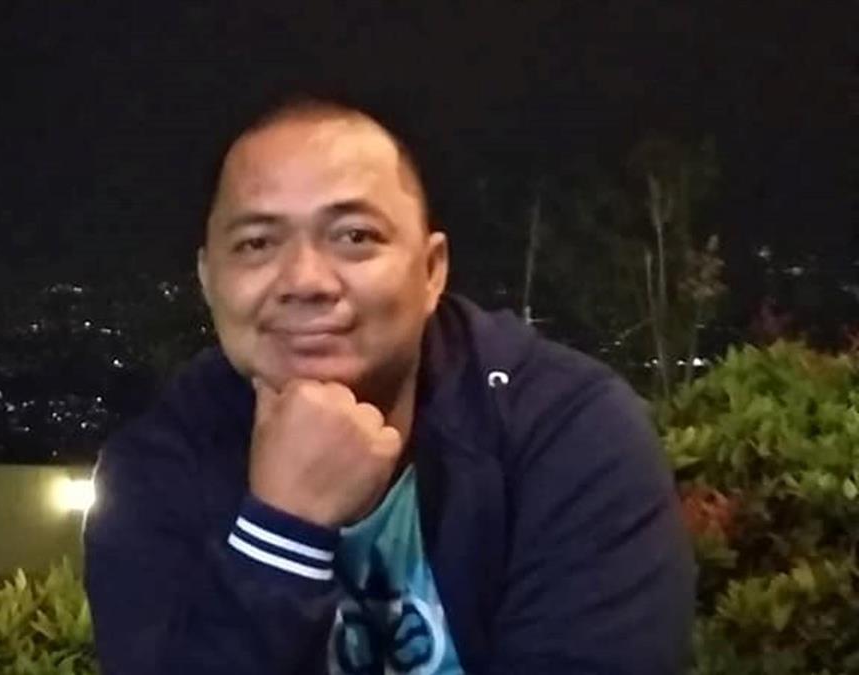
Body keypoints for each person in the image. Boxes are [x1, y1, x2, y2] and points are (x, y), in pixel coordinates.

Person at [83, 97, 695, 674]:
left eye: (355, 237)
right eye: (257, 243)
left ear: (431, 272)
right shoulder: (158, 469)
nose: (305, 280)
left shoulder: (566, 433)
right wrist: (282, 532)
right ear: (207, 279)